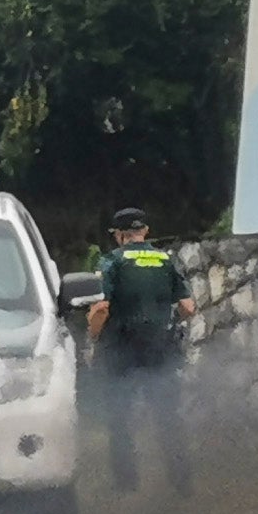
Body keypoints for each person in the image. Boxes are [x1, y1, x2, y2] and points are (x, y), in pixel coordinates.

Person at [87, 209, 198, 497]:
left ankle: (126, 483)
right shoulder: (165, 259)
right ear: (145, 231)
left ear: (119, 235)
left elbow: (101, 308)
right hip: (160, 346)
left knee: (119, 416)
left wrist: (93, 337)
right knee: (167, 415)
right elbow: (188, 307)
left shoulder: (112, 261)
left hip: (121, 348)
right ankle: (181, 481)